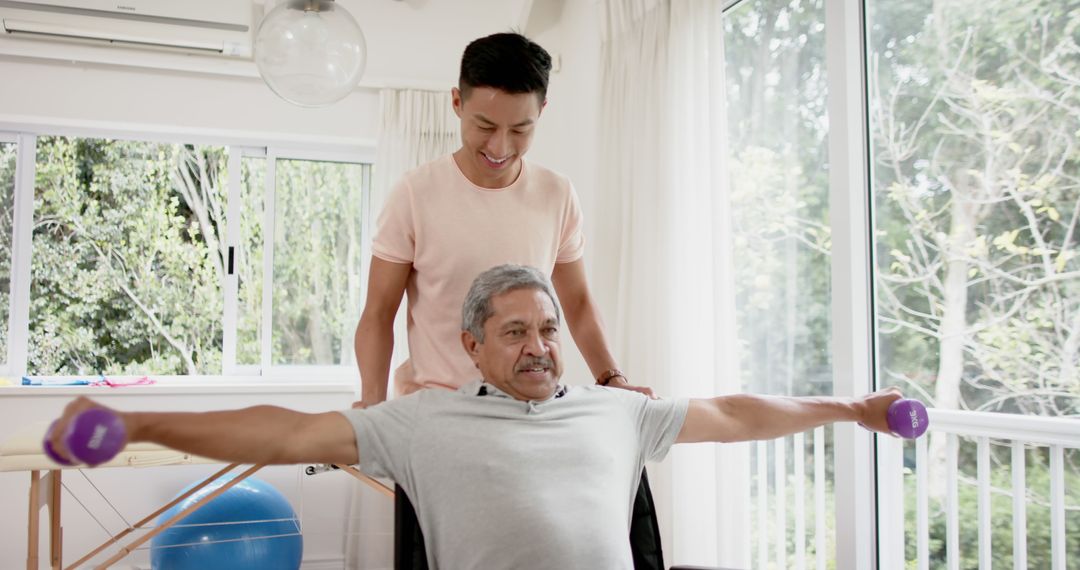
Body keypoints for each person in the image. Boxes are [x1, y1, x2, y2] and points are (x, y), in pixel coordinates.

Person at [51, 265, 904, 569]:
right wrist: (145, 427)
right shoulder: (421, 421)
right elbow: (286, 432)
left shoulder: (619, 412)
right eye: (514, 332)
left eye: (547, 330)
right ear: (471, 344)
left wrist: (852, 409)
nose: (538, 347)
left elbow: (734, 413)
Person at [353, 32, 653, 406]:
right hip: (437, 408)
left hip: (529, 408)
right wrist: (370, 408)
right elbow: (379, 314)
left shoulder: (556, 194)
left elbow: (576, 302)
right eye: (486, 126)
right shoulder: (414, 194)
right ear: (457, 103)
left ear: (541, 111)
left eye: (520, 130)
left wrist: (612, 379)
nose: (500, 147)